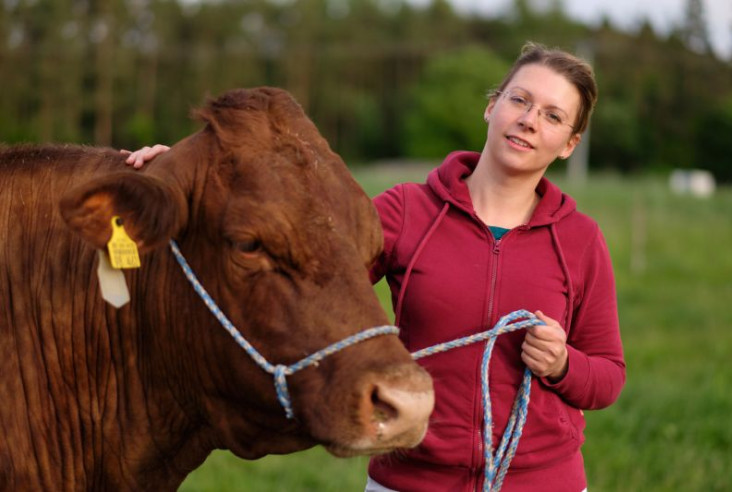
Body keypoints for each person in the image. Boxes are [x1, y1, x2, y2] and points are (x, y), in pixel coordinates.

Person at [123, 42, 625, 492]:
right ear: (492, 106)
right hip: (410, 480)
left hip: (544, 482)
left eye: (553, 116)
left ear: (569, 144)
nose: (530, 120)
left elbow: (608, 376)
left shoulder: (580, 240)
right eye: (520, 100)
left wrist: (562, 364)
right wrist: (182, 182)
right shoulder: (407, 210)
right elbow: (292, 258)